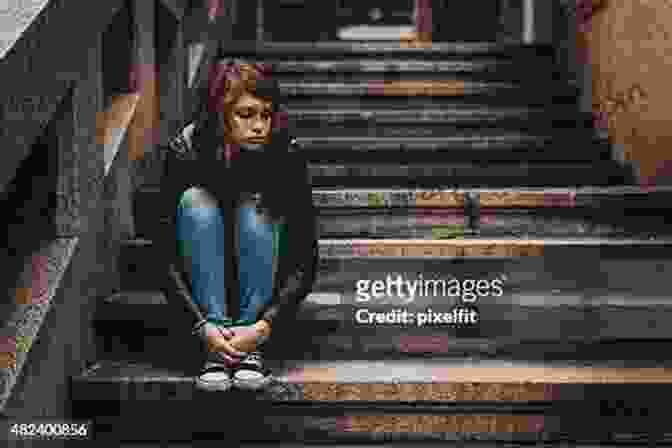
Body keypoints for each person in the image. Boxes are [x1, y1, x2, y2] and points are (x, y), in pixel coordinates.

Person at [160, 60, 318, 392]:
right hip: (206, 297)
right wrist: (200, 325)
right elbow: (163, 256)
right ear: (220, 114)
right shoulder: (185, 151)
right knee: (195, 202)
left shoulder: (286, 154)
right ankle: (217, 350)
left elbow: (305, 259)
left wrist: (264, 326)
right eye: (246, 115)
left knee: (258, 204)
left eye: (266, 114)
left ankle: (248, 349)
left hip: (262, 295)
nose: (260, 125)